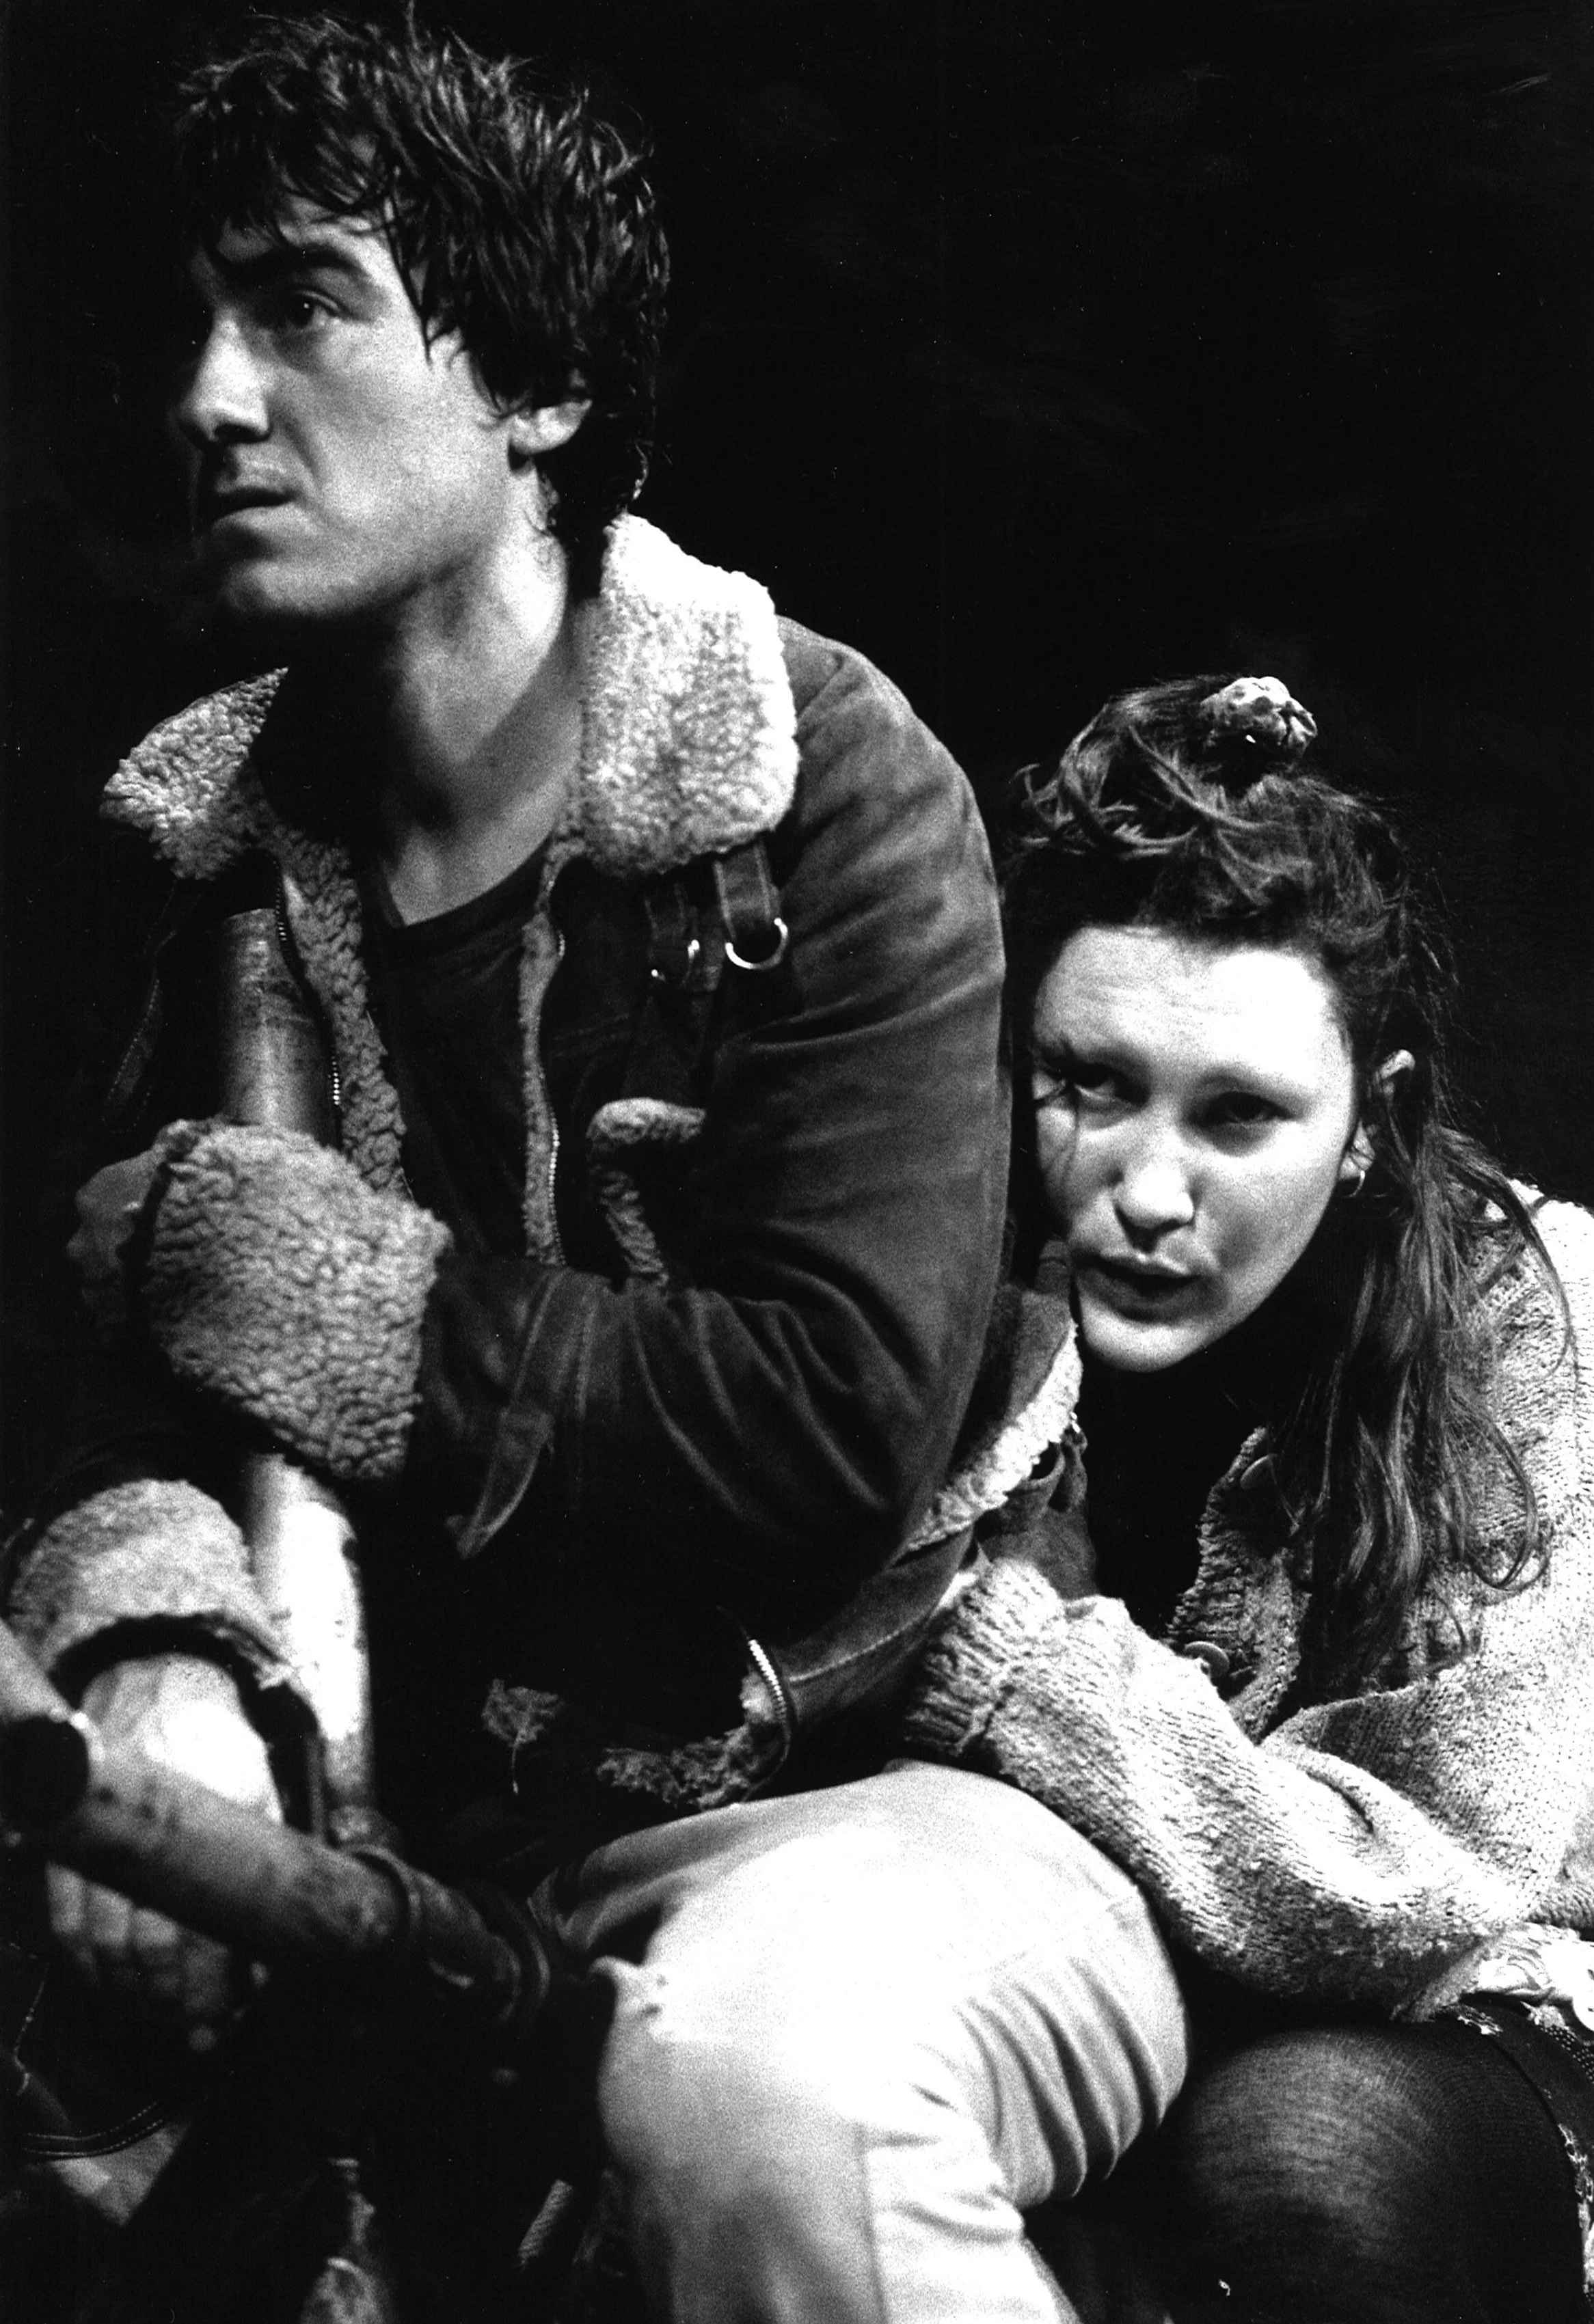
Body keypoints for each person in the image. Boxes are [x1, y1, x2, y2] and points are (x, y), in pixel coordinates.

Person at [1, 9, 1014, 2300]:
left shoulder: (814, 788)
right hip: (372, 1825)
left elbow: (834, 1417)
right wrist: (165, 1647)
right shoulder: (187, 854)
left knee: (767, 2120)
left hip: (815, 1795)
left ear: (539, 387)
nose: (209, 400)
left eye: (304, 307)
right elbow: (75, 1367)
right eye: (195, 317)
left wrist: (344, 1303)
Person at [892, 672, 1594, 2320]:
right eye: (1086, 1083)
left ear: (1373, 1123)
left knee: (1305, 2154)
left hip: (1477, 2019)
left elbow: (1424, 1892)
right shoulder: (947, 1262)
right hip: (1097, 1960)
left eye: (1239, 1118)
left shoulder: (1527, 1321)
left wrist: (998, 1659)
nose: (1143, 1190)